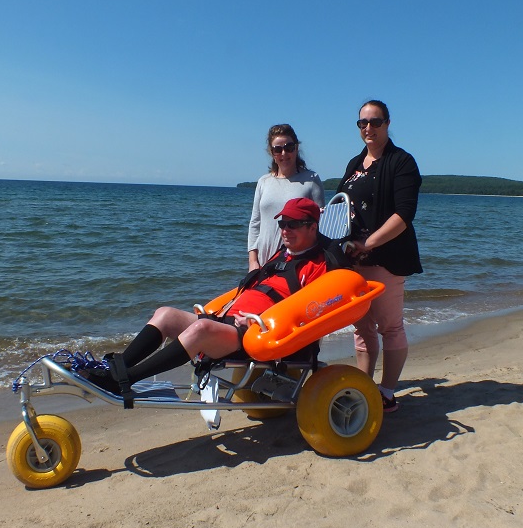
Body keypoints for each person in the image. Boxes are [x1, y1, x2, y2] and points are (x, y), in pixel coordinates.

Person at [87, 198, 329, 397]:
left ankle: (126, 380)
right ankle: (116, 367)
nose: (285, 230)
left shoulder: (318, 266)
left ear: (312, 227)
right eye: (283, 223)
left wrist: (258, 323)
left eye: (293, 224)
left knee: (201, 329)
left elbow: (307, 312)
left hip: (253, 333)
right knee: (166, 314)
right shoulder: (282, 256)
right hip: (227, 320)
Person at [337, 99, 422, 413]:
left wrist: (368, 244)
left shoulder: (402, 162)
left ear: (388, 123)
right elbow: (339, 206)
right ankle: (364, 386)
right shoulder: (355, 164)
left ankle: (386, 392)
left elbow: (404, 215)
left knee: (390, 327)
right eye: (363, 123)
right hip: (352, 262)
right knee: (361, 327)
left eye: (375, 122)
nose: (368, 128)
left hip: (385, 259)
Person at [248, 124, 324, 271]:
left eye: (289, 147)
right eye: (278, 149)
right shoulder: (264, 182)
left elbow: (320, 225)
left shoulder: (311, 180)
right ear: (271, 153)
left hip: (297, 263)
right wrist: (253, 261)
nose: (284, 153)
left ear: (296, 148)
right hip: (264, 261)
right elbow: (255, 224)